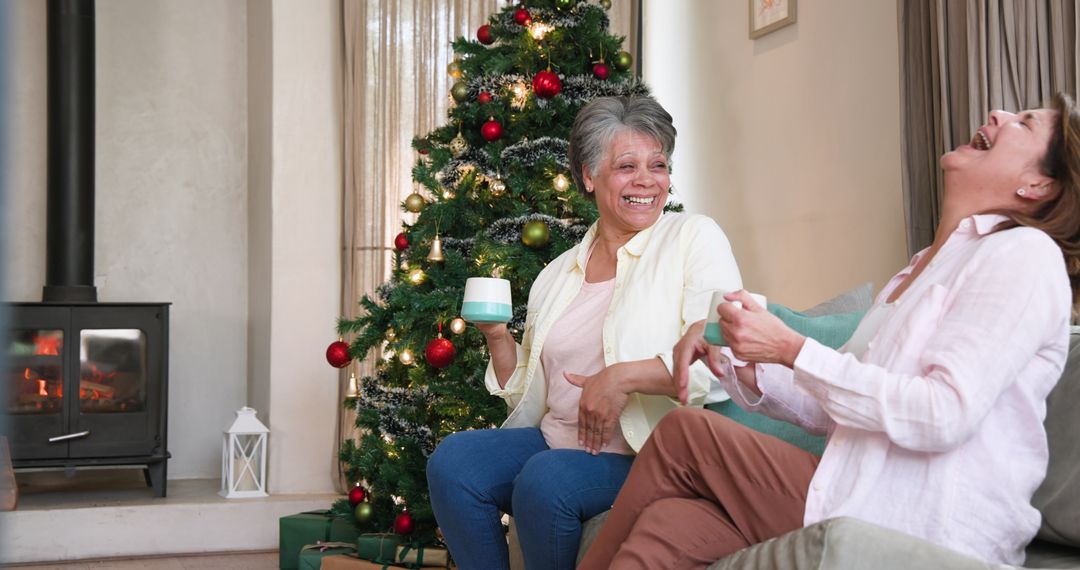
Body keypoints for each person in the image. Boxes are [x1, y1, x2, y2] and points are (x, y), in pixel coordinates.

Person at [578, 92, 1080, 569]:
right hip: (848, 488)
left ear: (1037, 185)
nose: (997, 113)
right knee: (671, 525)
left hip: (917, 520)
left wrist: (792, 349)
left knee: (685, 430)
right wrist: (729, 351)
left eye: (1025, 122)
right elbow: (831, 407)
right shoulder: (919, 270)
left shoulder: (1024, 256)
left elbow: (942, 412)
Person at [426, 95, 743, 570]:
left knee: (546, 478)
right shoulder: (557, 274)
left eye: (658, 165)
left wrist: (620, 377)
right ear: (588, 176)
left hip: (645, 451)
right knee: (455, 462)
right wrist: (496, 335)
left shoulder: (693, 238)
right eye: (626, 166)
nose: (646, 181)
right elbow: (529, 400)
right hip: (556, 441)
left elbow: (723, 361)